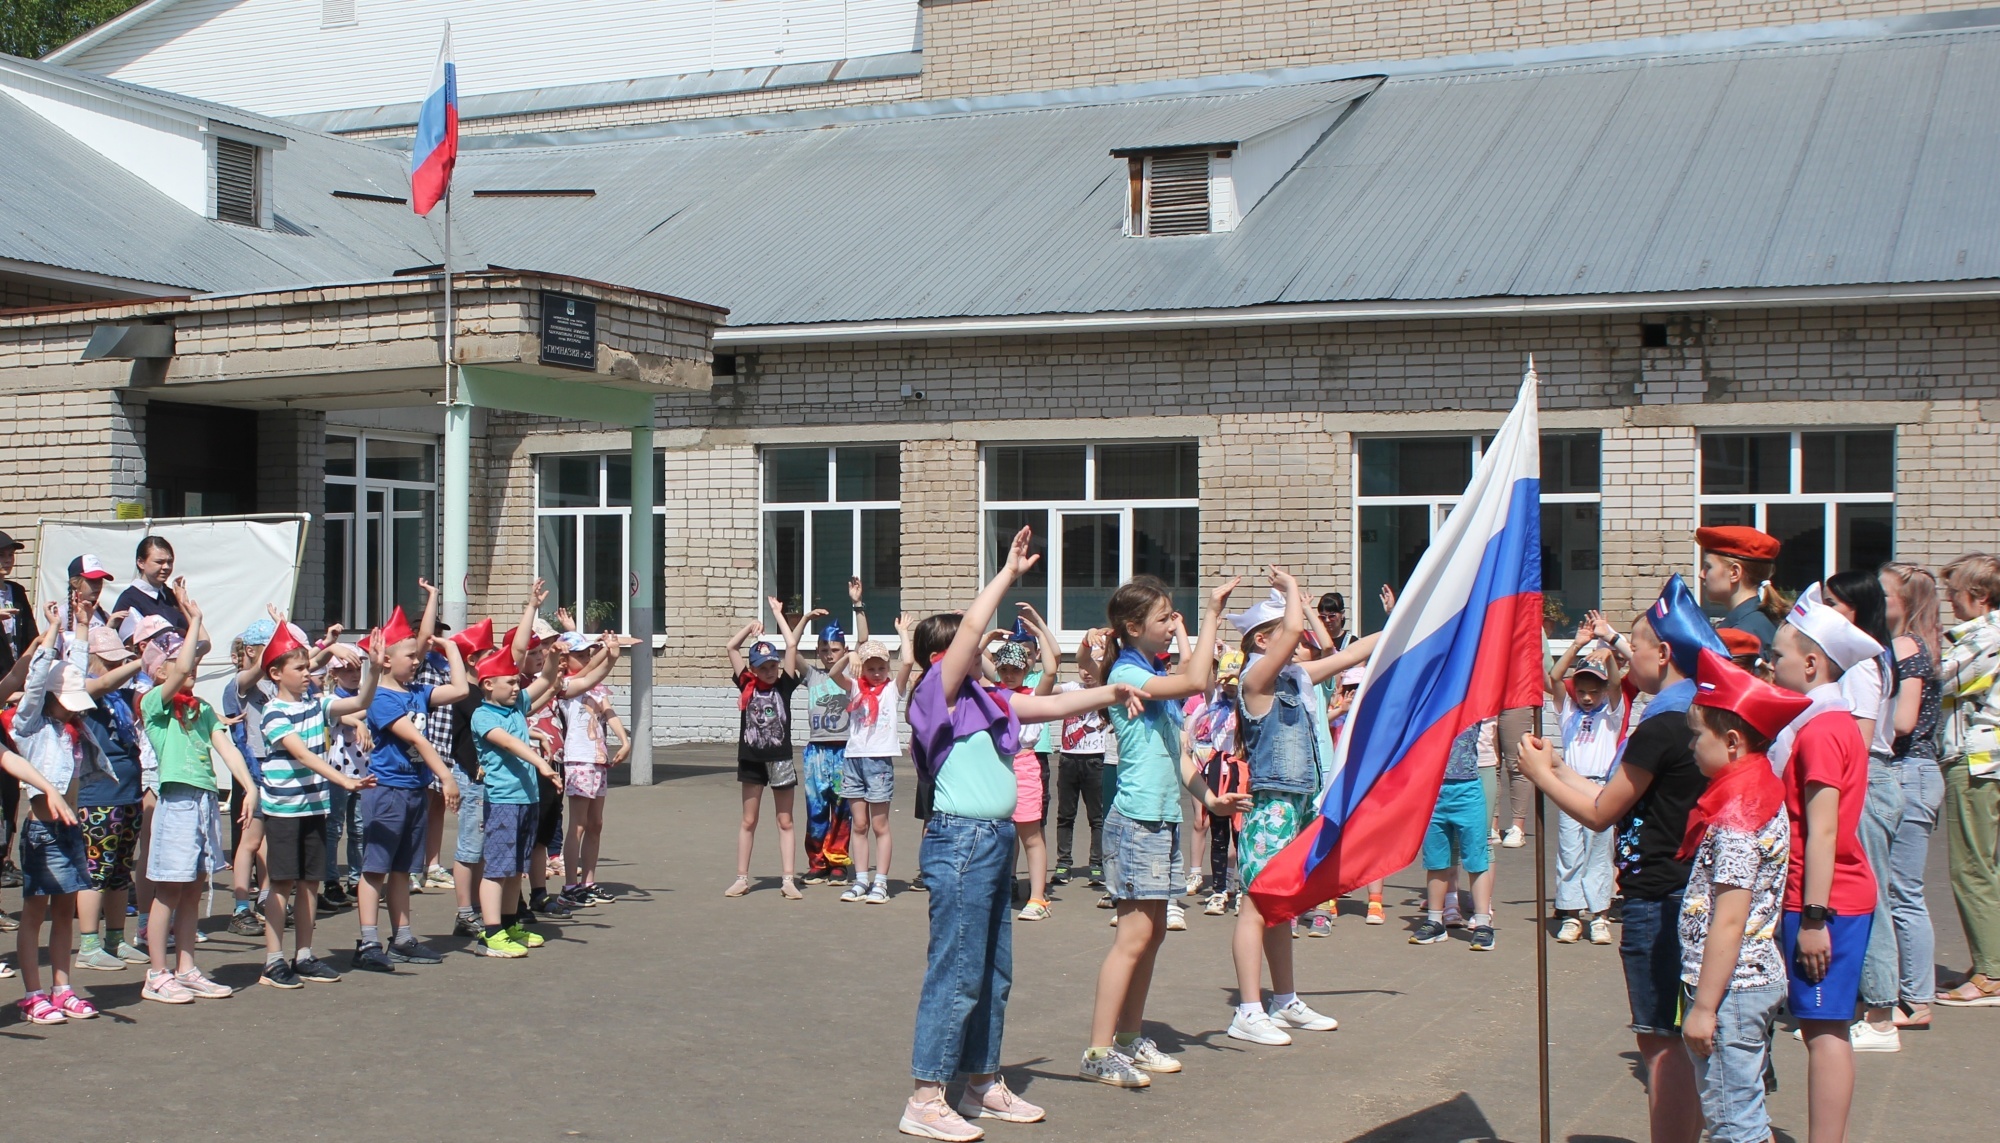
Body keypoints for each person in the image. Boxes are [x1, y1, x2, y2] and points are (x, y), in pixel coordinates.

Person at [897, 524, 1141, 1140]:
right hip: (959, 843)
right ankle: (926, 1097)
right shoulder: (937, 699)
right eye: (971, 647)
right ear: (940, 661)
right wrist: (1006, 574)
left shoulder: (992, 702)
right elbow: (973, 634)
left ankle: (980, 1084)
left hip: (992, 844)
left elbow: (1059, 705)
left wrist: (1116, 688)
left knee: (993, 972)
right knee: (955, 971)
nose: (987, 648)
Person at [1517, 575, 1718, 1143]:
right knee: (1678, 1036)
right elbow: (1612, 791)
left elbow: (1603, 811)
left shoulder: (1661, 725)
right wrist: (1556, 768)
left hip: (1660, 893)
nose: (1629, 662)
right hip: (1685, 888)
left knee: (1660, 1039)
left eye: (1638, 647)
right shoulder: (1696, 713)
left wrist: (1539, 777)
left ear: (1666, 653)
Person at [1078, 573, 1242, 1086]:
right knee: (1133, 937)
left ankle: (1128, 1040)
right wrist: (1212, 611)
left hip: (1163, 820)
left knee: (1151, 938)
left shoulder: (1153, 675)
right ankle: (1098, 1051)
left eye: (1174, 616)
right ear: (1133, 626)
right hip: (1136, 822)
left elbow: (1180, 759)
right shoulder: (1131, 671)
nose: (1173, 626)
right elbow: (1199, 681)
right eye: (1166, 617)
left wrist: (1212, 800)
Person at [1227, 569, 1376, 1047]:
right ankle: (1248, 1010)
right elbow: (1295, 630)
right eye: (1285, 630)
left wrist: (1406, 618)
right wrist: (1291, 591)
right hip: (1271, 807)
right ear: (1264, 639)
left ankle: (1283, 998)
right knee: (1255, 905)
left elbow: (1352, 652)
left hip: (1300, 804)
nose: (1301, 636)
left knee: (1282, 907)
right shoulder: (1255, 677)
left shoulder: (1295, 677)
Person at [1765, 585, 1880, 1143]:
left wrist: (1813, 917)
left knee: (1825, 1030)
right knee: (1821, 1027)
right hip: (1827, 896)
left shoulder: (1820, 730)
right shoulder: (1830, 722)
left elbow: (1823, 827)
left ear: (1811, 665)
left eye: (1779, 656)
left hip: (1826, 902)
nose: (1770, 662)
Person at [1678, 649, 1805, 1143]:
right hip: (1748, 980)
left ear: (1731, 742)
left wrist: (1705, 1007)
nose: (1691, 746)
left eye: (1697, 736)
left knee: (1733, 1121)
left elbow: (1729, 920)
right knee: (1743, 1103)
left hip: (1731, 991)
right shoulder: (1758, 791)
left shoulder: (1737, 816)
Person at [138, 586, 254, 1004]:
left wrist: (251, 787)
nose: (189, 669)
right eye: (175, 664)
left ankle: (186, 968)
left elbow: (227, 749)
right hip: (177, 801)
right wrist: (195, 623)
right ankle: (157, 972)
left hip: (204, 802)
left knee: (193, 888)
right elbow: (187, 660)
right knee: (169, 889)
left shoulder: (201, 709)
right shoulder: (154, 705)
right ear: (158, 672)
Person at [255, 621, 381, 988]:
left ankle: (305, 955)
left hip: (314, 808)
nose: (307, 672)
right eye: (299, 668)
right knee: (281, 885)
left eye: (308, 667)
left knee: (310, 883)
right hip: (283, 812)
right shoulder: (274, 712)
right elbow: (301, 754)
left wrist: (372, 666)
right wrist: (343, 780)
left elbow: (361, 702)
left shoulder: (318, 704)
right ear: (276, 674)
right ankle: (273, 960)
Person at [8, 598, 112, 1022]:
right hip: (41, 831)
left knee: (65, 912)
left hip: (70, 830)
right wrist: (52, 631)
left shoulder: (74, 726)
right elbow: (35, 683)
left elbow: (79, 672)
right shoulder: (30, 726)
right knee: (35, 913)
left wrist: (82, 626)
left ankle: (63, 988)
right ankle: (33, 993)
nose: (73, 705)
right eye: (66, 699)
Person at [355, 605, 466, 971]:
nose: (417, 662)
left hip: (415, 789)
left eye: (419, 656)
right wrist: (446, 777)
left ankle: (402, 937)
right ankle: (368, 941)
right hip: (387, 790)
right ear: (385, 661)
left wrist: (449, 648)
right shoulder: (382, 699)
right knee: (376, 869)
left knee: (403, 869)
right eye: (410, 656)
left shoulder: (418, 691)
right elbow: (417, 739)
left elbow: (461, 689)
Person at [1821, 570, 1905, 1051]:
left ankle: (1880, 1015)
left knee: (1871, 895)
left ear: (1857, 610)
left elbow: (1857, 736)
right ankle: (1865, 1003)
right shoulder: (1860, 661)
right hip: (1865, 778)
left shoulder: (1864, 665)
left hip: (1867, 781)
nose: (1826, 610)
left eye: (1834, 602)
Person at [1878, 562, 1944, 1028]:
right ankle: (1911, 992)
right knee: (1901, 891)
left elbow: (1903, 722)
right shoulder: (1921, 644)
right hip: (1915, 773)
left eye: (1884, 595)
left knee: (1903, 892)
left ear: (1906, 602)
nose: (1878, 603)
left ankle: (1916, 998)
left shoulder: (1906, 647)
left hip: (1909, 771)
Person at [468, 643, 567, 958]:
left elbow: (544, 680)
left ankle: (510, 925)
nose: (516, 687)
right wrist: (540, 763)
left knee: (515, 869)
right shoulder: (483, 716)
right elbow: (509, 742)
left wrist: (553, 656)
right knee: (497, 869)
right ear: (488, 684)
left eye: (516, 681)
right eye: (509, 682)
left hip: (527, 800)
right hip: (503, 801)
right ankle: (491, 932)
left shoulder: (515, 706)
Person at [1932, 552, 2000, 1006]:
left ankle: (1991, 974)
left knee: (1971, 867)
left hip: (1977, 763)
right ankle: (1989, 963)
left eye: (1954, 593)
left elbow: (1942, 679)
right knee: (1981, 865)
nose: (1950, 602)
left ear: (1978, 596)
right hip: (1982, 760)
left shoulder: (1986, 636)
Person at [71, 625, 148, 972]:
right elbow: (99, 684)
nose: (117, 668)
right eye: (110, 660)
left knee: (119, 872)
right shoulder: (83, 689)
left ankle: (115, 940)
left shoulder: (120, 695)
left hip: (128, 792)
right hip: (98, 796)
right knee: (95, 872)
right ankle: (88, 944)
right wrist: (139, 661)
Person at [1547, 616, 1627, 945]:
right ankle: (1570, 913)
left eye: (1594, 691)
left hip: (1599, 787)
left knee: (1599, 853)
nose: (1587, 698)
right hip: (1570, 784)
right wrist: (1578, 644)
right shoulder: (1568, 712)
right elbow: (1554, 676)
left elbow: (1618, 684)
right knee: (1570, 851)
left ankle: (1599, 915)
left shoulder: (1611, 714)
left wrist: (1606, 653)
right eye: (1581, 691)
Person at [724, 599, 808, 898]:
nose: (771, 670)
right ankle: (741, 877)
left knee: (785, 820)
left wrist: (777, 615)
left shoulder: (784, 685)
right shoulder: (745, 683)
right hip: (752, 759)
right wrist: (750, 627)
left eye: (774, 665)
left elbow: (791, 645)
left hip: (780, 758)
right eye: (764, 667)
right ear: (754, 669)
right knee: (749, 819)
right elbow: (732, 648)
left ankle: (788, 879)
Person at [1410, 718, 1499, 951]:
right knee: (1436, 859)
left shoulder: (1473, 701)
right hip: (1433, 789)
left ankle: (1482, 923)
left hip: (1467, 788)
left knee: (1476, 858)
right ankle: (1435, 921)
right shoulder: (1431, 704)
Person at [990, 615, 1055, 921]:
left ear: (1026, 668)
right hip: (998, 765)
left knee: (1030, 834)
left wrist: (1039, 630)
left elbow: (1052, 669)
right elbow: (974, 661)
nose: (1008, 674)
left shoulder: (1034, 696)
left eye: (1015, 669)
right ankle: (1003, 886)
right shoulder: (994, 693)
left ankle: (1038, 898)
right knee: (1001, 833)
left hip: (1026, 765)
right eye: (1003, 669)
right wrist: (988, 636)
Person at [800, 582, 865, 886]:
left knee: (841, 809)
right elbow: (790, 650)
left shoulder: (849, 675)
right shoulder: (812, 676)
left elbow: (863, 641)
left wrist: (858, 605)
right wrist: (803, 620)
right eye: (824, 650)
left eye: (835, 650)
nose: (829, 655)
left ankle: (838, 860)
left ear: (844, 651)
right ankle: (817, 861)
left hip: (844, 752)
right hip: (816, 752)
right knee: (816, 807)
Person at [557, 629, 628, 907]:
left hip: (598, 759)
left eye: (588, 652)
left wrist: (624, 740)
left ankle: (588, 882)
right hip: (578, 759)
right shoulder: (563, 684)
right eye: (580, 654)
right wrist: (609, 654)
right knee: (578, 824)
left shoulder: (595, 687)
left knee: (595, 824)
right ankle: (569, 887)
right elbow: (587, 671)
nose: (586, 658)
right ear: (564, 660)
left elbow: (608, 712)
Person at [842, 632, 912, 904]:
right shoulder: (855, 688)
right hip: (854, 760)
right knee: (859, 824)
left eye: (881, 667)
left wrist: (904, 634)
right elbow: (833, 672)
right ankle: (861, 880)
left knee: (880, 824)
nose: (876, 673)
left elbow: (907, 662)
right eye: (870, 668)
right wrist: (850, 655)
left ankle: (880, 882)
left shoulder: (893, 690)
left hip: (879, 761)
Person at [1052, 634, 1113, 892]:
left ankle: (1096, 864)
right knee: (1066, 814)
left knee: (1097, 817)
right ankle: (1063, 862)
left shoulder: (1105, 690)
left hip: (1097, 760)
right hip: (1068, 759)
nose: (1086, 673)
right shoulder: (1071, 689)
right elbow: (1043, 690)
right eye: (1082, 668)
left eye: (1093, 667)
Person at [1696, 526, 1787, 655]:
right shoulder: (1761, 619)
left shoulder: (1741, 634)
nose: (1701, 574)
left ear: (1734, 573)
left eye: (1708, 567)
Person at [112, 535, 187, 633]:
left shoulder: (170, 595)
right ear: (141, 563)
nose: (166, 567)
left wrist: (183, 603)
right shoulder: (129, 601)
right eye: (159, 562)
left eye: (170, 562)